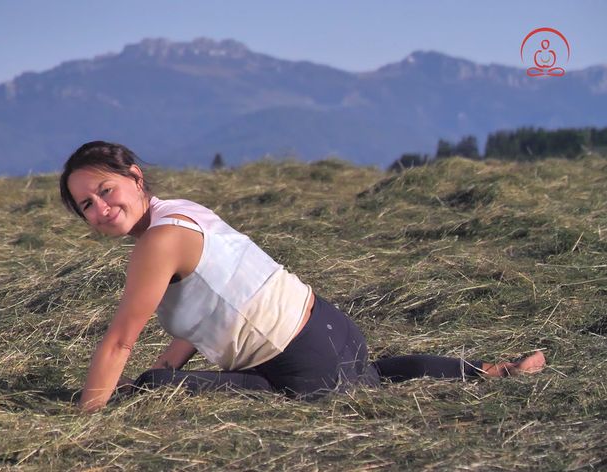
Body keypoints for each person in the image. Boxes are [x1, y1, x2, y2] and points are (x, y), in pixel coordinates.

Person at [59, 141, 546, 413]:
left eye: (105, 190)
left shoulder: (156, 243)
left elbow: (120, 342)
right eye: (86, 205)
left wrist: (84, 422)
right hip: (334, 331)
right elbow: (212, 302)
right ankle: (491, 371)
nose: (101, 208)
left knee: (150, 386)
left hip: (299, 366)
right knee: (369, 376)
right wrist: (171, 363)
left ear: (136, 177)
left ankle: (492, 374)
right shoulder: (181, 212)